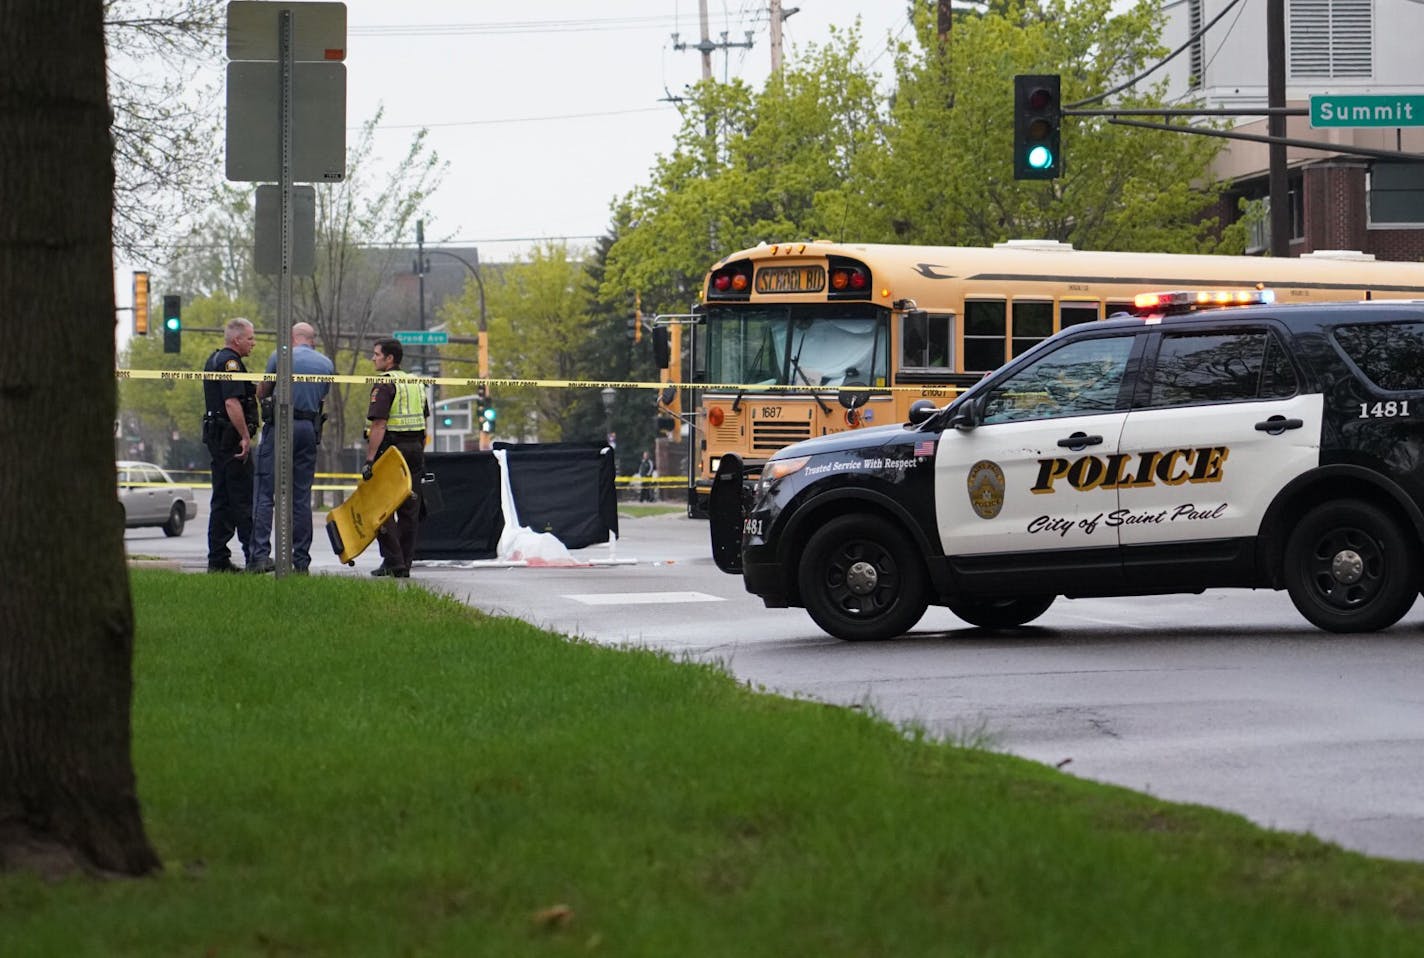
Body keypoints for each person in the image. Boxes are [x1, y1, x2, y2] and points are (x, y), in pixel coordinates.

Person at [248, 322, 334, 574]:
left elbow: (263, 391)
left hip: (281, 427)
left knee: (265, 492)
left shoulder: (279, 356)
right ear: (311, 340)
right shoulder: (326, 364)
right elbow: (321, 398)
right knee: (300, 497)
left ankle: (260, 556)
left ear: (293, 338)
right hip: (309, 428)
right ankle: (301, 561)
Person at [364, 338, 428, 578]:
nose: (373, 358)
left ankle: (394, 561)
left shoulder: (385, 384)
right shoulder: (415, 383)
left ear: (389, 359)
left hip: (392, 451)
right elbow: (424, 421)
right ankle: (405, 563)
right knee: (410, 508)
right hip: (415, 449)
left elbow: (379, 424)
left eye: (376, 354)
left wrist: (370, 459)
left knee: (382, 507)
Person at [202, 317, 258, 573]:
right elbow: (232, 403)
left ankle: (218, 559)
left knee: (222, 499)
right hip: (230, 439)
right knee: (242, 499)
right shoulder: (231, 363)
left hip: (217, 438)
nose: (253, 344)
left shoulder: (215, 360)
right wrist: (245, 436)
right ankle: (254, 557)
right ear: (237, 339)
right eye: (250, 338)